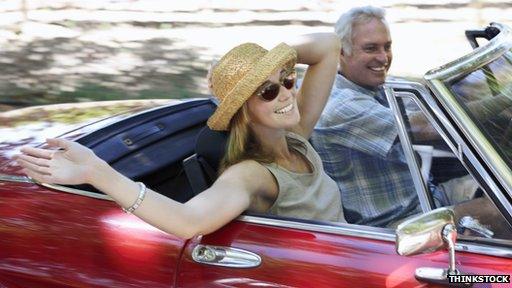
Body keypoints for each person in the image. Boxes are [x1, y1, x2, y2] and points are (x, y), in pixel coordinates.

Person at [15, 33, 345, 239]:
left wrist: (261, 66)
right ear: (242, 110)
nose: (287, 94)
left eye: (287, 80)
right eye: (268, 91)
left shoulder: (296, 135)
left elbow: (330, 46)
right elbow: (189, 221)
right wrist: (96, 171)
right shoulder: (252, 174)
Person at [310, 6, 479, 227]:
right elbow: (424, 126)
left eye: (387, 47)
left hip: (426, 197)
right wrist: (494, 103)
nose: (383, 58)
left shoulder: (370, 85)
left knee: (501, 186)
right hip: (399, 225)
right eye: (371, 49)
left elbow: (426, 105)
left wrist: (474, 92)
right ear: (341, 52)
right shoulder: (340, 105)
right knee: (496, 211)